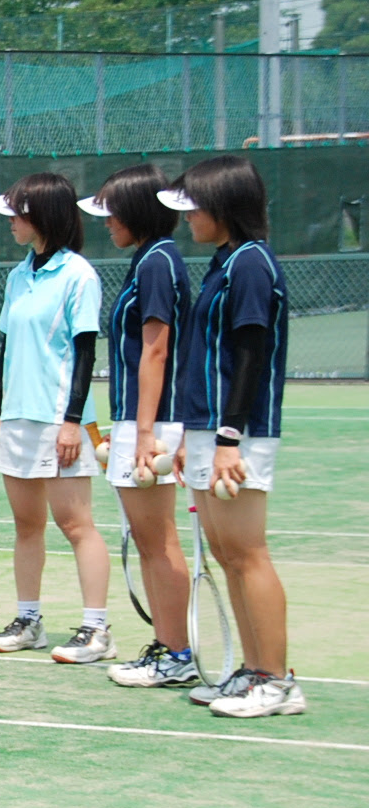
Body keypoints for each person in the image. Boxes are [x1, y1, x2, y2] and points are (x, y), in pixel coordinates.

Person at [164, 156, 301, 717]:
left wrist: (228, 437)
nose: (188, 217)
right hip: (208, 431)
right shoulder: (225, 262)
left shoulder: (250, 264)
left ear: (223, 207)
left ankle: (278, 680)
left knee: (247, 553)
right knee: (225, 552)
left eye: (195, 206)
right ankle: (251, 671)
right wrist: (188, 436)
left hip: (236, 435)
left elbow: (251, 352)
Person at [0, 174, 113, 663]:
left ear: (41, 216)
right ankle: (29, 620)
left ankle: (96, 629)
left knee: (76, 524)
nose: (11, 223)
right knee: (26, 525)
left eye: (17, 214)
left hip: (61, 419)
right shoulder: (18, 276)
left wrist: (72, 421)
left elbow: (85, 352)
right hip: (18, 418)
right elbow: (7, 350)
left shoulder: (79, 275)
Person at [76, 169, 196, 690]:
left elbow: (157, 348)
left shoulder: (157, 263)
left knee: (157, 540)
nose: (108, 223)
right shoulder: (150, 260)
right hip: (141, 419)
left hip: (153, 421)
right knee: (149, 541)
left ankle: (177, 652)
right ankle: (169, 648)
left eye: (114, 212)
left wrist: (145, 433)